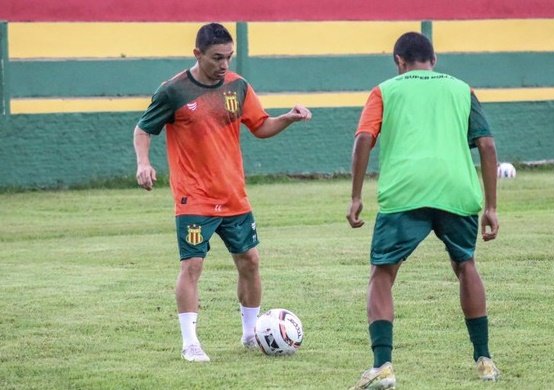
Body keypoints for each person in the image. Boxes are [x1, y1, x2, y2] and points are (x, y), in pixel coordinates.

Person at [133, 22, 312, 362]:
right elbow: (143, 130)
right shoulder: (174, 91)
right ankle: (190, 343)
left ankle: (249, 335)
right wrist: (143, 163)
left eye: (229, 57)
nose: (224, 64)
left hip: (233, 196)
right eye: (217, 57)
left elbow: (260, 126)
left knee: (250, 261)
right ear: (197, 54)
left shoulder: (238, 87)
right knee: (193, 266)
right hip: (194, 198)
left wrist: (287, 118)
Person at [346, 32, 500, 389]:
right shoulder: (462, 89)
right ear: (434, 59)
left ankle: (382, 366)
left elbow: (363, 139)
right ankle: (485, 360)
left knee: (382, 274)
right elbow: (488, 146)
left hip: (406, 190)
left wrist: (355, 196)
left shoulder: (385, 90)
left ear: (399, 61)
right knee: (466, 265)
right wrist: (491, 206)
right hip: (457, 188)